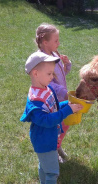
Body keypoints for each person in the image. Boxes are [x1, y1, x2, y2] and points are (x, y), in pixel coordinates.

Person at [20, 52, 83, 184]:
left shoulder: (45, 88)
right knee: (52, 171)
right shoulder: (36, 101)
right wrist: (67, 111)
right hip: (44, 141)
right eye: (49, 73)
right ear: (35, 73)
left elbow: (54, 108)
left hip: (49, 138)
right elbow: (47, 120)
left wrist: (67, 106)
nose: (52, 77)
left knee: (44, 166)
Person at [35, 23, 71, 163]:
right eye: (56, 41)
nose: (59, 43)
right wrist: (64, 92)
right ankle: (52, 153)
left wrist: (67, 65)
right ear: (45, 42)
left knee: (63, 124)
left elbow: (61, 74)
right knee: (53, 128)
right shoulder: (42, 60)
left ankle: (57, 146)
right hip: (49, 100)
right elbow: (48, 84)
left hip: (59, 98)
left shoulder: (54, 54)